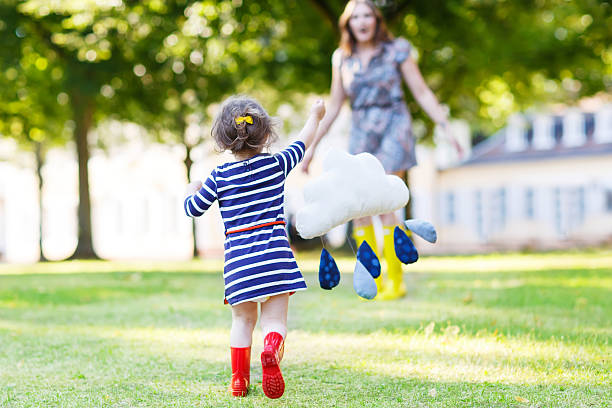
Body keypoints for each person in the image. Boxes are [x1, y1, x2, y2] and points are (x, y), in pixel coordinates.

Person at [302, 0, 461, 300]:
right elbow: (335, 105)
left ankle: (395, 280)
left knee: (386, 203)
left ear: (377, 20)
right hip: (362, 131)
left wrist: (445, 125)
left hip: (394, 127)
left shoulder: (397, 49)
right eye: (355, 17)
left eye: (367, 16)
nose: (362, 22)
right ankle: (370, 278)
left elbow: (422, 91)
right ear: (347, 23)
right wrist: (310, 147)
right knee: (360, 207)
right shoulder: (342, 58)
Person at [184, 96, 325, 399]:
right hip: (276, 260)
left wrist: (190, 189)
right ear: (265, 134)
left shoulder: (219, 177)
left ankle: (239, 381)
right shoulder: (277, 164)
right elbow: (304, 141)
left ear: (223, 140)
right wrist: (316, 114)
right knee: (274, 321)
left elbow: (193, 209)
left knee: (241, 321)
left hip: (239, 266)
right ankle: (271, 348)